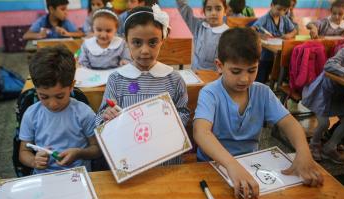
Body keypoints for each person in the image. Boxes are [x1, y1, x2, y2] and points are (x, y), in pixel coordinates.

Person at [193, 27, 323, 199]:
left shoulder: (263, 92)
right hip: (212, 165)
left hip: (251, 164)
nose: (244, 79)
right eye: (236, 71)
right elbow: (201, 132)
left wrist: (303, 152)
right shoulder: (210, 93)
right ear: (219, 66)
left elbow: (290, 123)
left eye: (252, 70)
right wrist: (231, 164)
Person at [95, 5, 190, 165]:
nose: (145, 51)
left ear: (162, 40)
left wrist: (167, 121)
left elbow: (184, 113)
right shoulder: (117, 79)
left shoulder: (174, 79)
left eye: (153, 42)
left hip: (165, 156)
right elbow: (100, 118)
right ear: (126, 42)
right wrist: (107, 115)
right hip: (131, 157)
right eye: (137, 42)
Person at [19, 46, 101, 174]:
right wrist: (34, 161)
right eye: (43, 96)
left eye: (59, 96)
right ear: (36, 89)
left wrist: (79, 153)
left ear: (72, 86)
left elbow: (97, 149)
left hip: (78, 176)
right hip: (43, 177)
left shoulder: (84, 113)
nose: (52, 104)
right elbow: (24, 151)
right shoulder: (31, 114)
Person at [176, 0, 229, 71]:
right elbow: (185, 11)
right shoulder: (199, 26)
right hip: (195, 75)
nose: (213, 13)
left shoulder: (228, 35)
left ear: (225, 11)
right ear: (204, 12)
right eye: (209, 9)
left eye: (218, 9)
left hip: (213, 78)